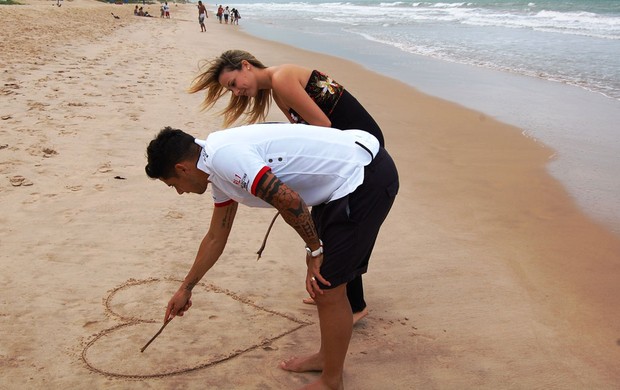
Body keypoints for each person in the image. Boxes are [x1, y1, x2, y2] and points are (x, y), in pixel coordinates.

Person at [145, 123, 398, 390]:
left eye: (174, 184)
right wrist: (186, 288)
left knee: (329, 287)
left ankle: (331, 380)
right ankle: (326, 358)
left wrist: (315, 250)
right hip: (338, 182)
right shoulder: (215, 170)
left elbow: (289, 201)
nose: (180, 191)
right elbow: (216, 237)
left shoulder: (224, 157)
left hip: (363, 178)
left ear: (181, 168)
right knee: (324, 285)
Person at [187, 49, 385, 324]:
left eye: (233, 83)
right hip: (344, 149)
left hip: (361, 150)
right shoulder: (278, 90)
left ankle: (353, 304)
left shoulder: (282, 79)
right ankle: (334, 291)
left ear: (246, 66)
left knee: (339, 226)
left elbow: (321, 126)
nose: (237, 92)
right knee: (326, 225)